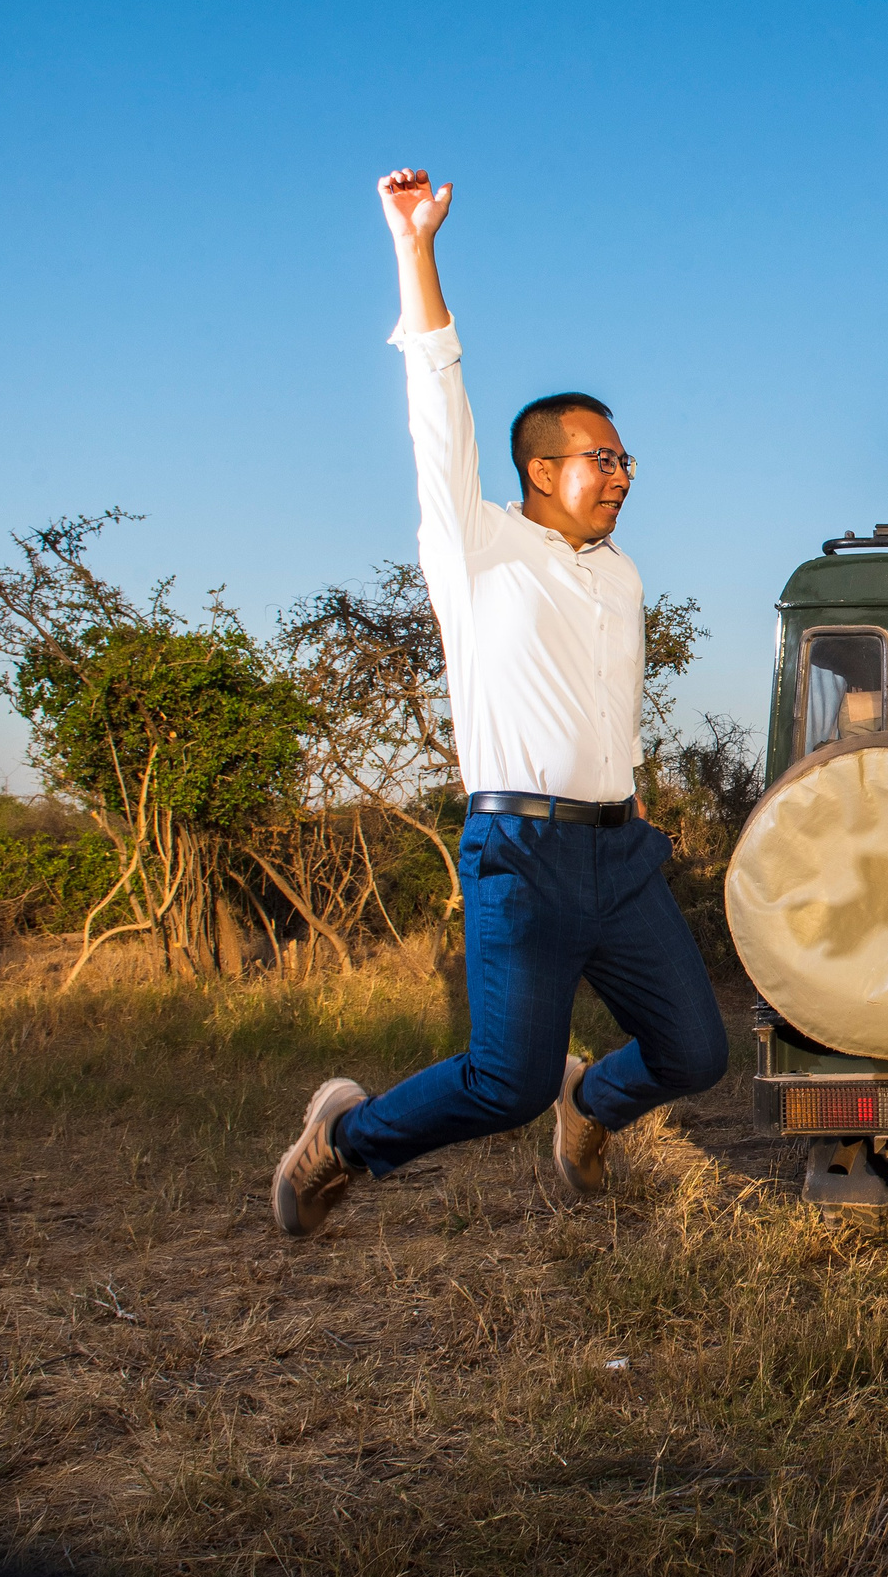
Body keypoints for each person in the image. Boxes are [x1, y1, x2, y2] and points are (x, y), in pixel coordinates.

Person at [269, 169, 730, 1237]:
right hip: (518, 853)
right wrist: (414, 245)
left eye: (625, 459)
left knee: (694, 1052)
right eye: (601, 457)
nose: (621, 474)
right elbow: (437, 397)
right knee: (498, 1082)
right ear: (537, 468)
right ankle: (342, 1141)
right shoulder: (475, 547)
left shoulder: (619, 575)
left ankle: (591, 1102)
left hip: (618, 856)